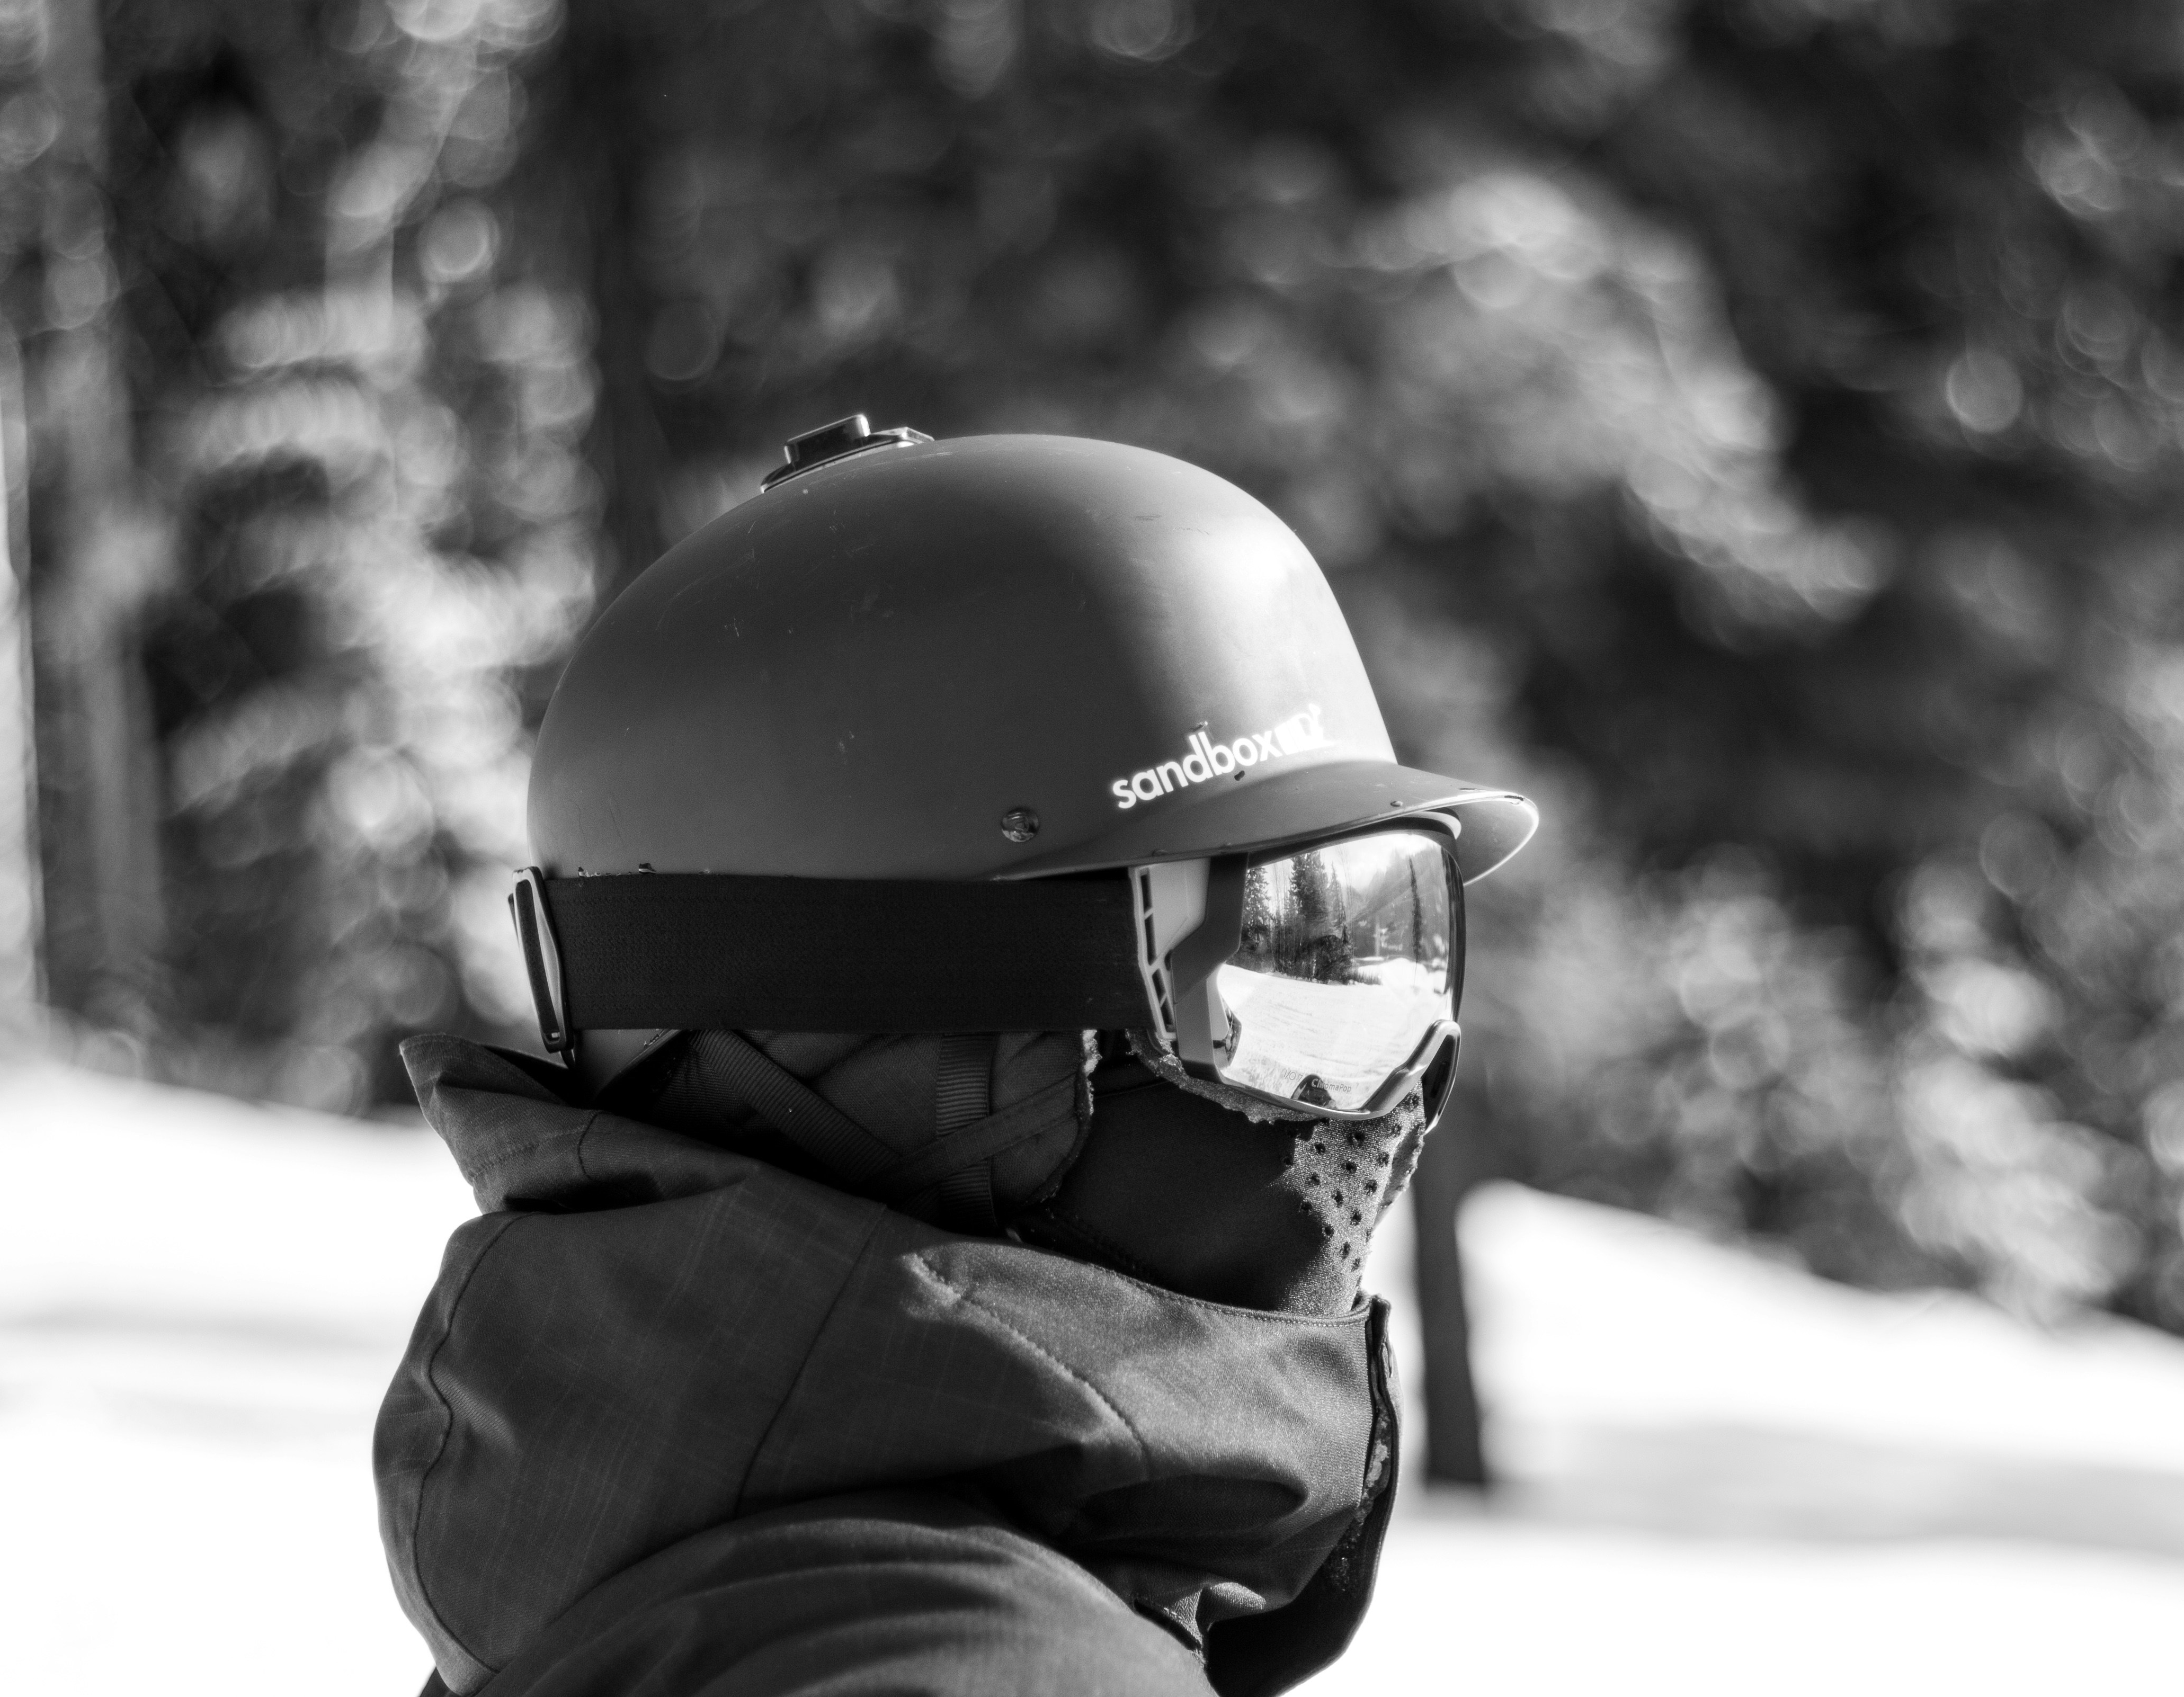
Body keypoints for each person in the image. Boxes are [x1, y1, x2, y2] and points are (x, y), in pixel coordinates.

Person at [379, 416, 1537, 1697]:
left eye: (1400, 941)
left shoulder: (615, 1604)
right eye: (1270, 953)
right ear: (910, 1059)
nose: (1391, 1099)